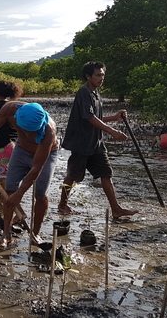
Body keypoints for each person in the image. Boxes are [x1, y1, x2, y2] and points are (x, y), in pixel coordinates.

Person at [58, 61, 139, 219]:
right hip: (81, 143)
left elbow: (96, 117)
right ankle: (62, 205)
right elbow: (88, 117)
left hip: (96, 143)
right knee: (73, 175)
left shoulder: (95, 93)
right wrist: (112, 131)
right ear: (88, 76)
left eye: (103, 75)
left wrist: (114, 118)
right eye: (98, 75)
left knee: (106, 174)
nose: (101, 78)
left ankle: (116, 209)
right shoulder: (84, 92)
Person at [0, 102, 59, 246]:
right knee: (10, 190)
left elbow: (37, 167)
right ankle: (6, 233)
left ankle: (35, 234)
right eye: (27, 131)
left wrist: (21, 193)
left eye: (34, 132)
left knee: (41, 194)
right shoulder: (9, 110)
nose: (31, 135)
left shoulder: (49, 130)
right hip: (21, 150)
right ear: (17, 119)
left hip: (46, 155)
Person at [0, 81, 23, 187]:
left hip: (2, 145)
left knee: (3, 176)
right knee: (15, 175)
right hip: (17, 145)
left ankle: (5, 200)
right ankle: (15, 198)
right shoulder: (14, 106)